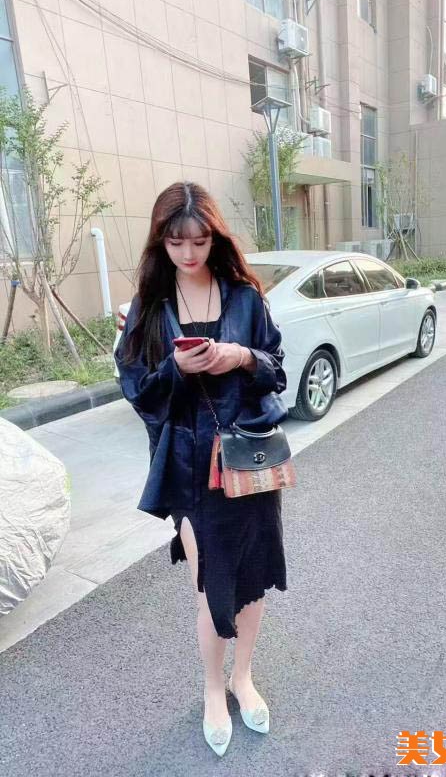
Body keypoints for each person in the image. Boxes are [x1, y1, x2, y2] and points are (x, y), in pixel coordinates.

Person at [114, 182, 288, 757]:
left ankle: (243, 677)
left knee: (254, 575)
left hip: (248, 459)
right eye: (176, 242)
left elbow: (276, 368)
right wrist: (177, 369)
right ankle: (214, 688)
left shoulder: (244, 299)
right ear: (160, 242)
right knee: (212, 579)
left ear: (215, 238)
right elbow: (139, 393)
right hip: (190, 469)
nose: (188, 253)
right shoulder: (150, 308)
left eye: (199, 240)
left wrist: (241, 356)